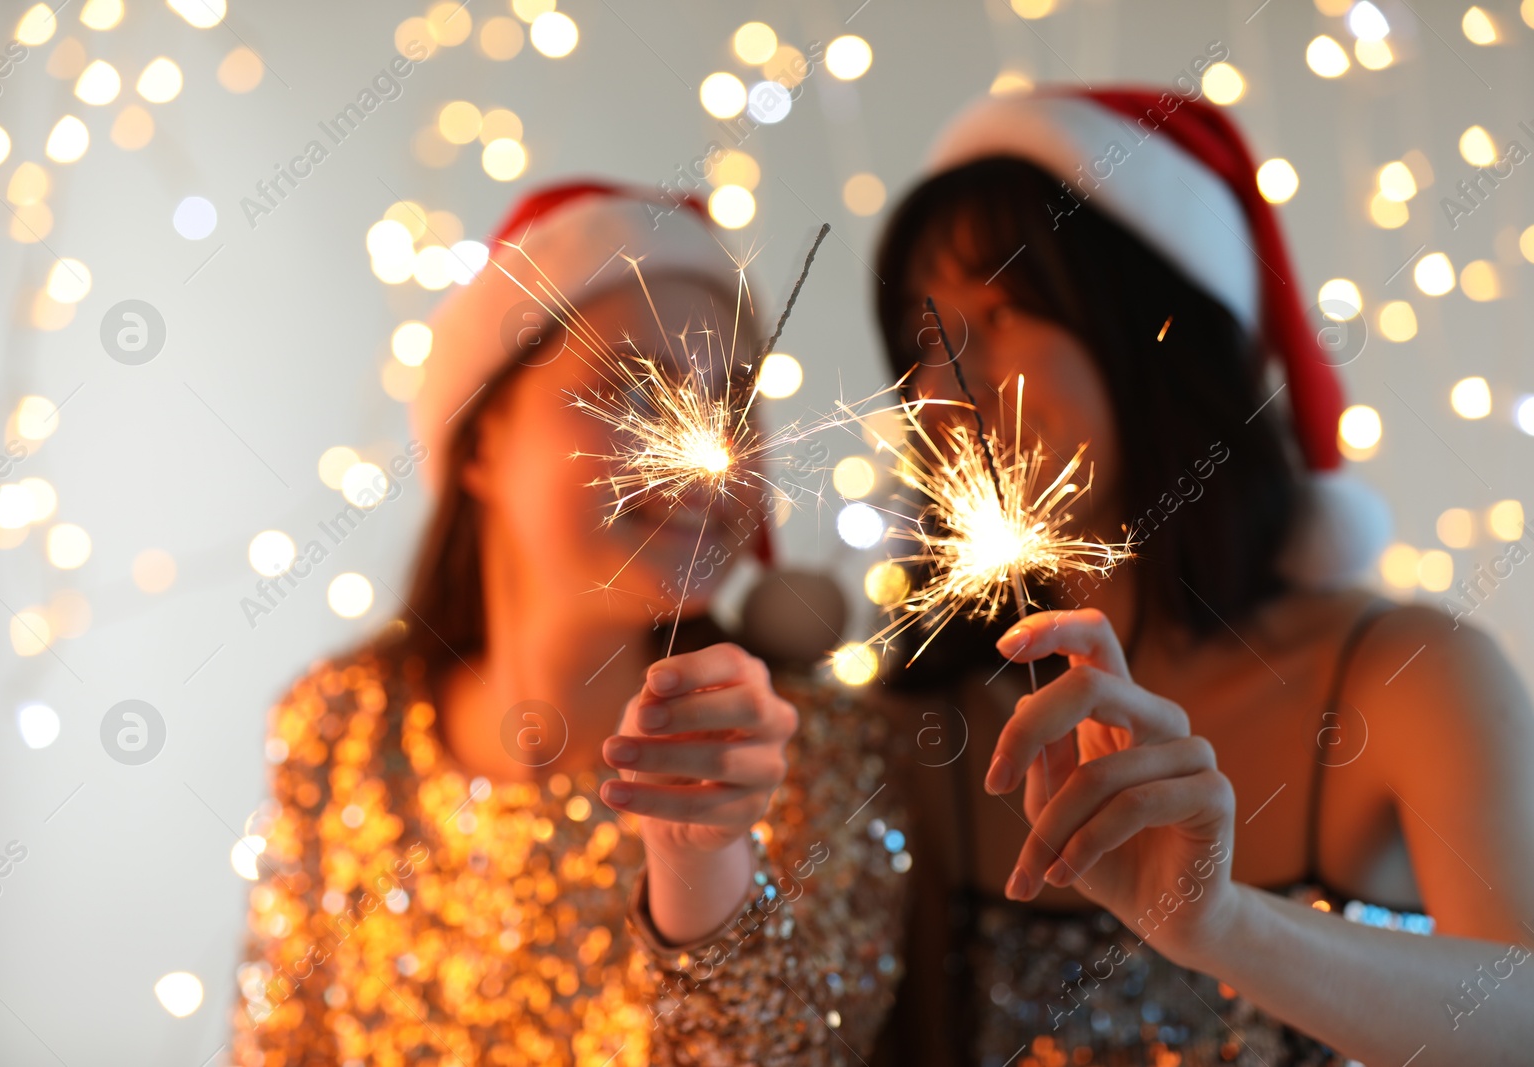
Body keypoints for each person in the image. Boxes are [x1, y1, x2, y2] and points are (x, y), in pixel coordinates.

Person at [867, 89, 1534, 1066]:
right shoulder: (930, 725)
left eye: (1003, 310)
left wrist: (1220, 923)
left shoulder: (1409, 674)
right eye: (928, 334)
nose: (947, 381)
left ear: (1152, 332)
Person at [229, 182, 910, 1066]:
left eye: (732, 402)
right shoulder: (343, 725)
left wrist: (702, 871)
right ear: (482, 441)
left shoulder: (812, 755)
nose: (705, 452)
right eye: (635, 391)